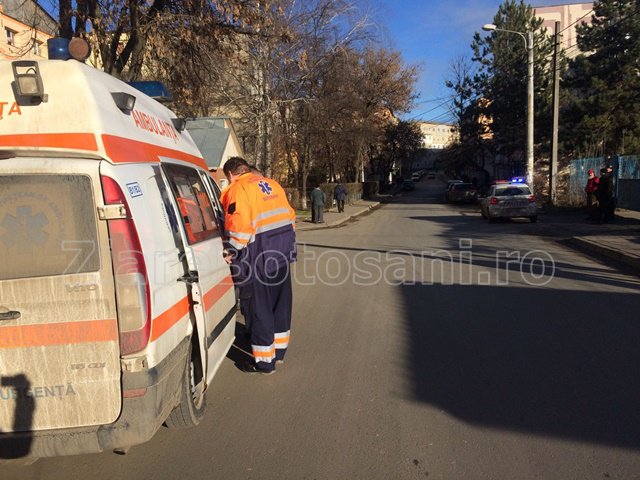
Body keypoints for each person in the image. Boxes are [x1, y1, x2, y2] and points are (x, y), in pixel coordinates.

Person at [220, 157, 296, 375]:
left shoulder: (239, 189)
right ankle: (279, 352)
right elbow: (291, 218)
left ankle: (264, 363)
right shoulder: (272, 184)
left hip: (259, 259)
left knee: (259, 309)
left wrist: (232, 250)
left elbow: (240, 226)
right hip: (281, 254)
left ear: (231, 175)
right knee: (280, 305)